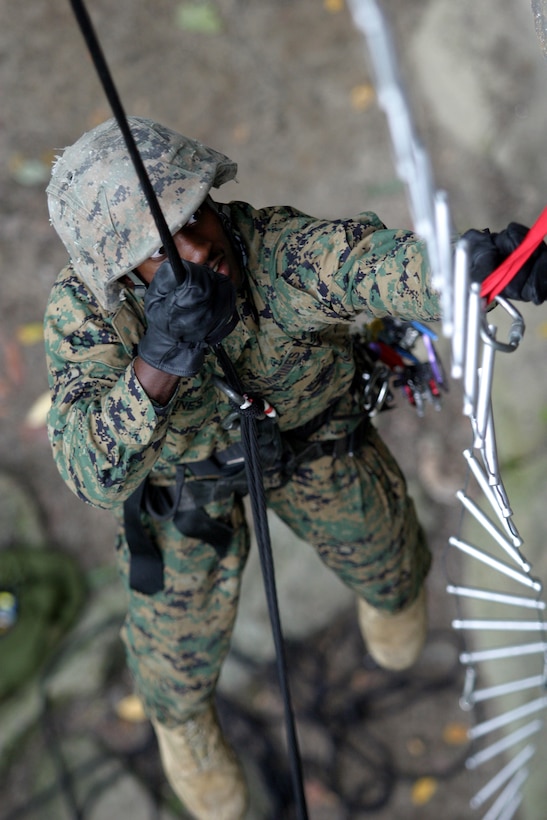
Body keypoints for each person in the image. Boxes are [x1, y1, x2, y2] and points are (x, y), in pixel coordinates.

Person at [43, 116, 545, 820]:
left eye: (195, 215)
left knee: (394, 568)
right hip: (185, 495)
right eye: (158, 248)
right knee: (173, 673)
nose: (196, 248)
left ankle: (388, 599)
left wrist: (475, 273)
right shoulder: (89, 317)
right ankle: (183, 731)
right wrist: (155, 364)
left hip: (314, 446)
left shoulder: (270, 247)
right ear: (122, 274)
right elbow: (88, 471)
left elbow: (365, 266)